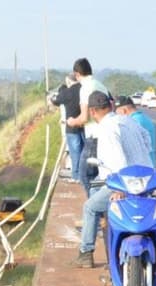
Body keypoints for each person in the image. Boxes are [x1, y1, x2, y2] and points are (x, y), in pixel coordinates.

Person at [72, 91, 152, 269]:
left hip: (125, 182)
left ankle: (86, 253)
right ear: (111, 105)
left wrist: (119, 189)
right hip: (145, 179)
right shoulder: (127, 120)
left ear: (92, 112)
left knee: (91, 207)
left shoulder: (106, 128)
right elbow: (147, 139)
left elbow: (118, 161)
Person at [65, 58, 110, 197]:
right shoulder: (100, 85)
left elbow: (84, 118)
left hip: (94, 136)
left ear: (77, 74)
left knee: (84, 174)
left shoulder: (85, 88)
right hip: (106, 133)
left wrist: (72, 121)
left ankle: (95, 207)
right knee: (99, 174)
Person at [50, 73, 84, 183]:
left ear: (69, 81)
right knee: (83, 151)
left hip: (71, 127)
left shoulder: (67, 93)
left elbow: (55, 101)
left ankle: (76, 176)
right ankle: (83, 175)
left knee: (75, 152)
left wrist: (51, 98)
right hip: (83, 125)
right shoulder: (84, 89)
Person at [115, 95, 156, 166]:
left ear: (124, 111)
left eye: (118, 113)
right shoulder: (144, 118)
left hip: (140, 166)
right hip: (149, 162)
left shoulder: (133, 122)